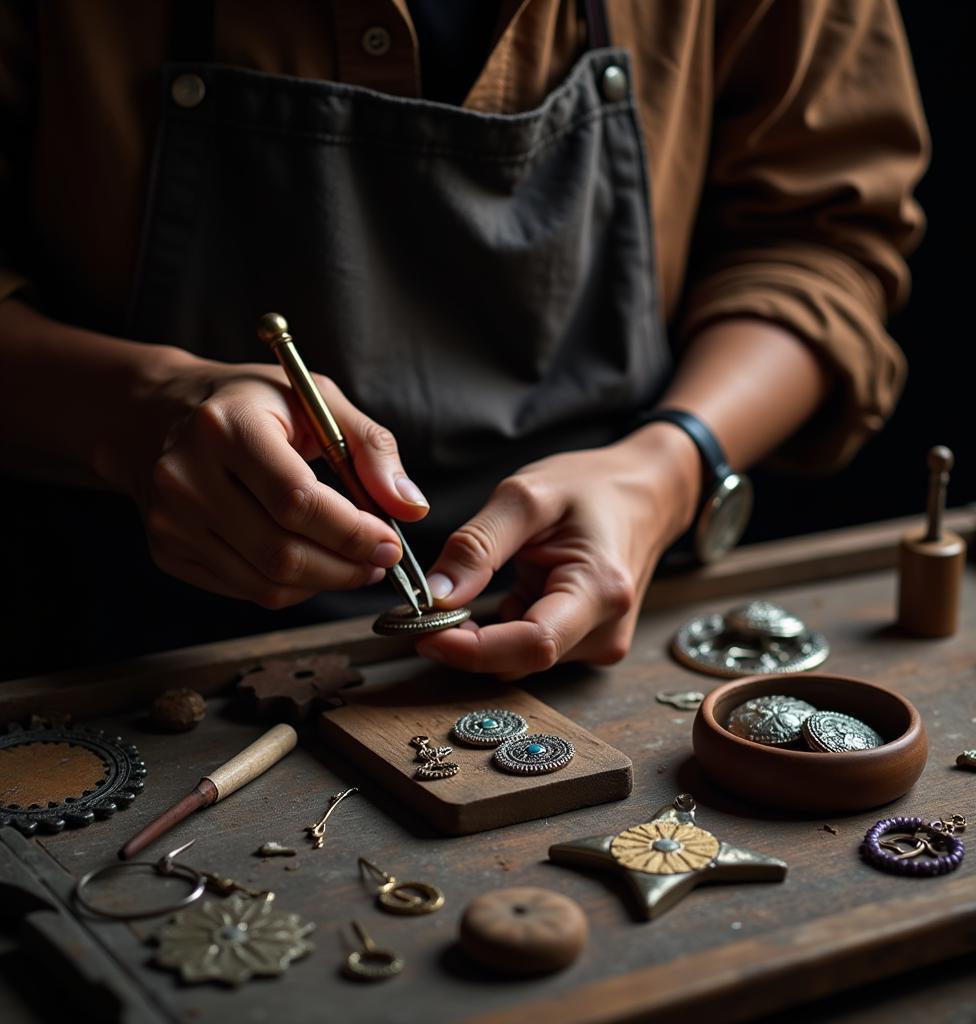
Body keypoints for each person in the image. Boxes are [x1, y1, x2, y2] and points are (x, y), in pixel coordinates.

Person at [0, 1, 928, 679]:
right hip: (133, 646)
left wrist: (668, 466)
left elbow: (825, 240)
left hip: (617, 611)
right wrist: (134, 413)